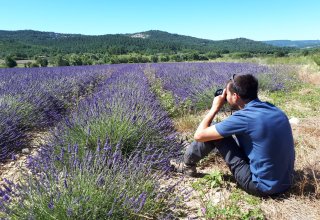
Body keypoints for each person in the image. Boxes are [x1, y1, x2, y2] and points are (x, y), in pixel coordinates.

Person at [178, 74, 295, 197]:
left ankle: (187, 166)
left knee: (215, 135)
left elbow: (199, 135)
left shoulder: (244, 118)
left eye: (227, 94)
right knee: (222, 132)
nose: (224, 96)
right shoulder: (275, 110)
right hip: (286, 182)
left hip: (261, 187)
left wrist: (215, 108)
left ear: (235, 96)